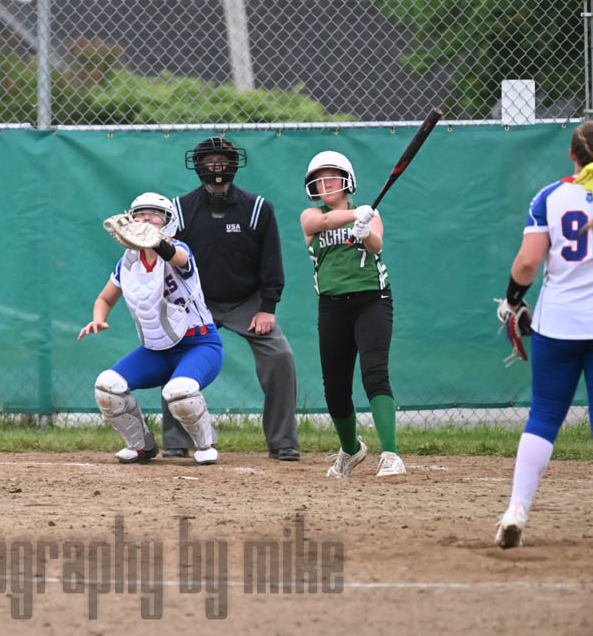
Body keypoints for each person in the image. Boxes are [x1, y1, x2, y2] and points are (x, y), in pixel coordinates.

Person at [160, 136, 300, 461]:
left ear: (234, 165)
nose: (216, 168)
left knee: (280, 356)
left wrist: (268, 308)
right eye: (209, 162)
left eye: (222, 161)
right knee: (175, 355)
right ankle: (176, 441)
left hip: (246, 301)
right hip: (196, 302)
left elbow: (271, 260)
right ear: (197, 166)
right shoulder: (179, 210)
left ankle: (282, 441)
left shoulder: (257, 208)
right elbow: (168, 262)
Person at [493, 121, 593, 548]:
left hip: (560, 324)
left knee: (545, 415)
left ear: (572, 156)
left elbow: (528, 263)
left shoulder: (551, 196)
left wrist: (513, 299)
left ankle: (517, 509)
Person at [79, 192, 224, 465]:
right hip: (157, 350)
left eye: (154, 216)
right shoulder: (128, 261)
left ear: (168, 222)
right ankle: (141, 446)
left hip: (199, 344)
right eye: (140, 216)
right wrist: (98, 318)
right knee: (107, 387)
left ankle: (206, 445)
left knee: (180, 392)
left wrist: (157, 243)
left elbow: (177, 257)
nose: (146, 220)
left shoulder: (178, 249)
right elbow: (105, 299)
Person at [299, 150, 405, 478]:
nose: (325, 184)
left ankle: (391, 454)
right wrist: (354, 216)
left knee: (375, 373)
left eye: (332, 178)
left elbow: (377, 246)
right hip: (332, 306)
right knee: (335, 387)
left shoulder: (371, 214)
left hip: (372, 300)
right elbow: (321, 223)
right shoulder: (310, 216)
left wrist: (366, 230)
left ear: (347, 182)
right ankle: (351, 449)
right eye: (319, 180)